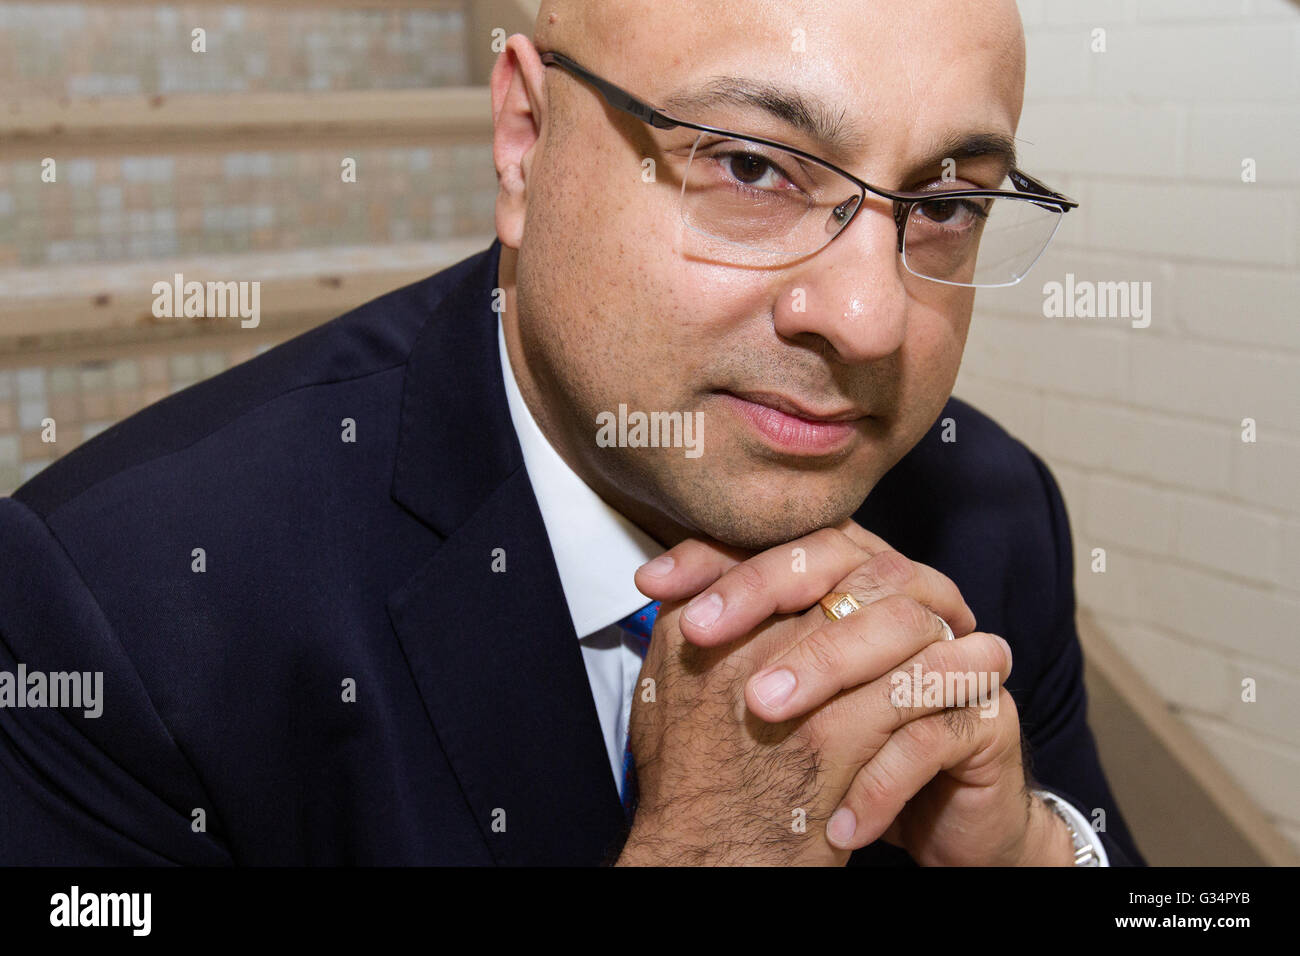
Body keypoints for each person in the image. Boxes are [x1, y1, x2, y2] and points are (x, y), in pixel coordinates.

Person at [0, 0, 1143, 866]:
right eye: (749, 167)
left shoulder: (989, 512)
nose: (867, 318)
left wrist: (1029, 853)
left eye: (942, 205)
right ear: (523, 136)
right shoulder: (125, 614)